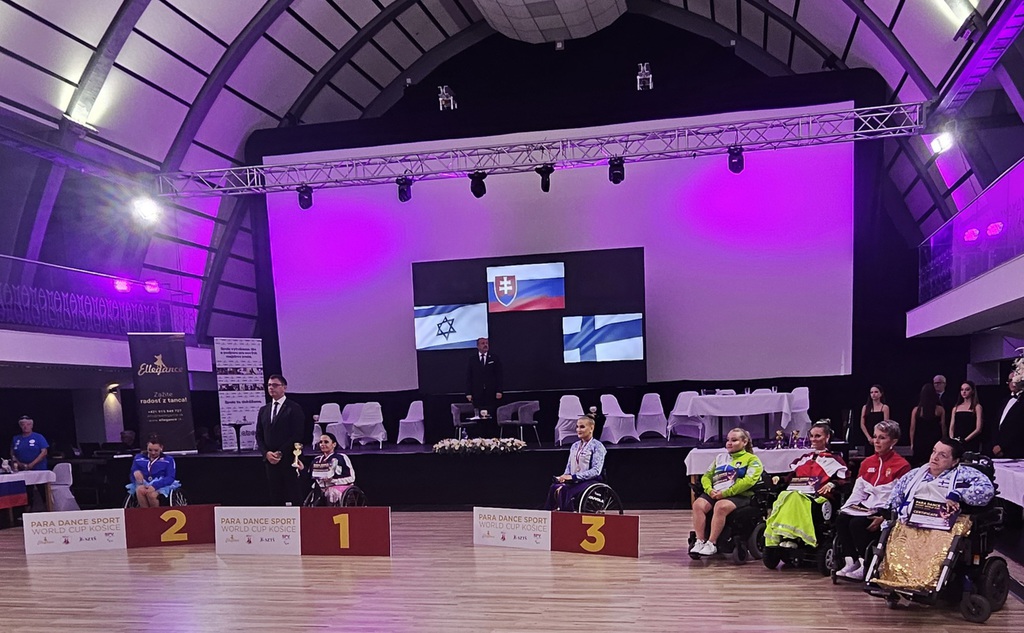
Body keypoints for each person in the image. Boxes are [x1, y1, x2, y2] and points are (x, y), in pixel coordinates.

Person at [835, 420, 911, 580]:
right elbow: (858, 492)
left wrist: (884, 516)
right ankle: (851, 561)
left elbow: (900, 497)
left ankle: (866, 565)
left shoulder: (902, 465)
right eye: (875, 437)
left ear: (893, 441)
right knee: (842, 519)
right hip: (866, 506)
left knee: (857, 524)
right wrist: (847, 507)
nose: (876, 441)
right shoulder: (867, 462)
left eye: (882, 438)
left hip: (884, 510)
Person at [763, 421, 848, 548]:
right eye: (811, 436)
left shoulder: (835, 460)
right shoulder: (804, 458)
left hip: (819, 497)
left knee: (794, 497)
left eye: (818, 436)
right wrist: (779, 479)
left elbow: (845, 480)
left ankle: (792, 536)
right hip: (797, 492)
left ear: (827, 437)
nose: (813, 439)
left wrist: (832, 484)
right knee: (785, 495)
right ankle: (783, 534)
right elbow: (791, 477)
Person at [888, 438, 995, 528]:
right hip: (908, 522)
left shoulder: (966, 474)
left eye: (942, 455)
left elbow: (987, 491)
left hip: (943, 526)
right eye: (934, 451)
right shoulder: (914, 474)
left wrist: (958, 494)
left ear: (955, 461)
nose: (935, 457)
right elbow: (895, 497)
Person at [690, 428, 764, 556]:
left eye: (734, 440)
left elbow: (748, 481)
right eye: (728, 440)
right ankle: (700, 541)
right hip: (716, 492)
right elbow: (706, 476)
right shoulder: (720, 458)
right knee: (698, 505)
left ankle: (712, 543)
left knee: (721, 506)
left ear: (744, 442)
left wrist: (725, 493)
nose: (729, 443)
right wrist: (709, 490)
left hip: (740, 495)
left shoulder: (752, 460)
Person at [255, 374, 306, 506]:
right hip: (270, 461)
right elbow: (259, 435)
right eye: (269, 385)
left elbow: (298, 434)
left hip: (289, 459)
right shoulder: (264, 410)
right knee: (275, 496)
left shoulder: (294, 408)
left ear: (284, 387)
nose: (271, 388)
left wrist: (280, 452)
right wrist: (266, 453)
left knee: (294, 494)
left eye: (275, 385)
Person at [544, 416, 606, 511]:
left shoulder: (597, 446)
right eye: (577, 427)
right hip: (574, 480)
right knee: (554, 487)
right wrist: (564, 477)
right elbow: (569, 466)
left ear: (591, 428)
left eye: (582, 427)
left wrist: (574, 477)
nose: (578, 430)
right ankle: (548, 515)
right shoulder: (575, 446)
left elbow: (596, 471)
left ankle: (567, 516)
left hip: (590, 481)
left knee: (565, 490)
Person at [298, 432, 355, 505]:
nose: (322, 444)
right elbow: (309, 477)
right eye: (321, 442)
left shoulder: (342, 457)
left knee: (331, 492)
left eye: (326, 442)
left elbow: (352, 477)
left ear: (334, 444)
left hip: (338, 488)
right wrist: (302, 469)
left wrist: (333, 481)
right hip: (320, 489)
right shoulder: (317, 460)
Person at [129, 436, 177, 508]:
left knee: (151, 495)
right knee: (140, 490)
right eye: (150, 450)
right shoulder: (138, 458)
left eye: (156, 450)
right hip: (143, 483)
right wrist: (135, 474)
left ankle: (155, 514)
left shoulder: (168, 460)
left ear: (161, 448)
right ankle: (145, 513)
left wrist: (155, 486)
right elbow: (132, 473)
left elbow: (170, 477)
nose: (153, 453)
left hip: (161, 484)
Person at [466, 337, 502, 420]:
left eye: (486, 343)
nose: (485, 345)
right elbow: (469, 377)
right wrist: (468, 393)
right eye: (483, 343)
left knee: (491, 414)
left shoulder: (494, 358)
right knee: (479, 414)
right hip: (477, 392)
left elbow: (499, 375)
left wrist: (499, 390)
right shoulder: (472, 359)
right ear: (478, 346)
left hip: (491, 392)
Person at [910, 383, 946, 466]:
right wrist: (944, 440)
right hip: (934, 439)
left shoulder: (916, 410)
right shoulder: (940, 410)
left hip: (919, 440)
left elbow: (912, 428)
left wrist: (912, 443)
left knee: (919, 464)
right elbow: (943, 426)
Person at [992, 370, 1024, 459]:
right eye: (1010, 380)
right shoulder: (1004, 401)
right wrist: (995, 444)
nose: (1012, 383)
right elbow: (996, 425)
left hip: (1016, 451)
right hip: (998, 452)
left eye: (1015, 380)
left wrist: (1003, 446)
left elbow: (1019, 428)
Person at [949, 380, 983, 454]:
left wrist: (965, 440)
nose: (964, 392)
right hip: (957, 442)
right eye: (962, 390)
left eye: (967, 389)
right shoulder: (956, 408)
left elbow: (978, 429)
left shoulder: (977, 407)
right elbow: (952, 427)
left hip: (971, 441)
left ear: (972, 391)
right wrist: (952, 440)